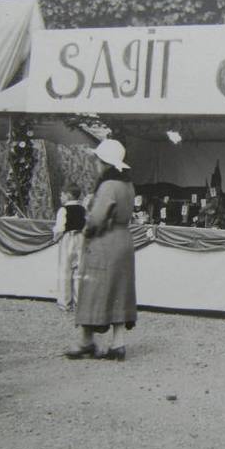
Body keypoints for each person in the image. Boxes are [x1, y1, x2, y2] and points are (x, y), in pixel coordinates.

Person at [66, 140, 137, 362]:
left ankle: (86, 341)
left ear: (104, 162)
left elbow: (97, 218)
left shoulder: (108, 186)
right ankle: (118, 342)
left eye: (97, 160)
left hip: (105, 241)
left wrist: (86, 231)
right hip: (124, 239)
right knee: (119, 290)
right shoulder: (128, 185)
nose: (95, 164)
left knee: (93, 288)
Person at [52, 183, 86, 312]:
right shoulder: (83, 209)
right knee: (79, 271)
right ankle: (80, 303)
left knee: (65, 270)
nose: (60, 197)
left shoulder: (63, 210)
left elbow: (60, 228)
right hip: (81, 239)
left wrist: (55, 238)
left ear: (68, 195)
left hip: (68, 239)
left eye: (61, 195)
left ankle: (65, 303)